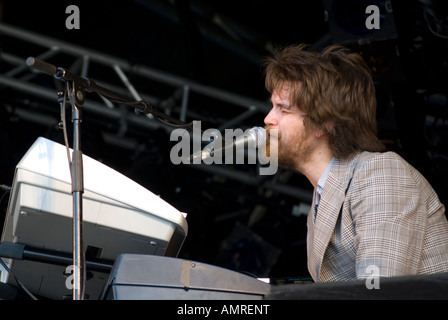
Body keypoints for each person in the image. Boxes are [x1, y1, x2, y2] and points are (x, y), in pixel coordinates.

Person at [262, 44, 448, 282]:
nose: (268, 118)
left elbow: (379, 292)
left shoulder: (380, 174)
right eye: (272, 106)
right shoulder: (324, 194)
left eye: (283, 109)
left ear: (324, 122)